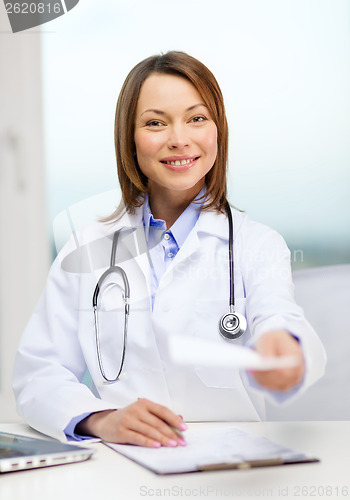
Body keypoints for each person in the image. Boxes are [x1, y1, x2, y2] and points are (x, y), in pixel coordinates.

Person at [13, 51, 326, 448]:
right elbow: (39, 373)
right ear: (130, 137)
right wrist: (102, 419)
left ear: (218, 130)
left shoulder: (257, 244)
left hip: (231, 466)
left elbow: (279, 316)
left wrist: (285, 348)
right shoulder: (87, 247)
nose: (179, 139)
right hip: (119, 464)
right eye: (155, 123)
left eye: (197, 118)